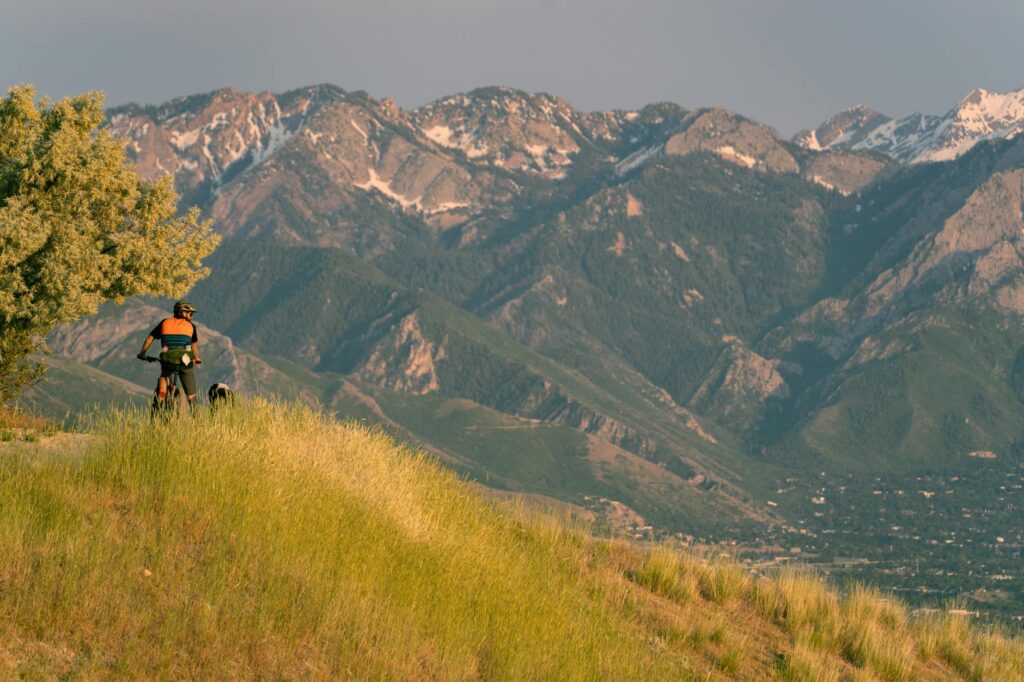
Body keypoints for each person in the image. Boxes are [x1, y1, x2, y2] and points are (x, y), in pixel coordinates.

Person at [137, 301, 203, 410]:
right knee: (191, 395)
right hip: (185, 361)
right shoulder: (191, 326)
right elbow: (193, 345)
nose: (191, 316)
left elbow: (149, 339)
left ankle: (161, 399)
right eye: (190, 313)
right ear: (183, 313)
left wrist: (142, 353)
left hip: (168, 359)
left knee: (164, 376)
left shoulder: (164, 322)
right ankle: (195, 414)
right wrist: (196, 358)